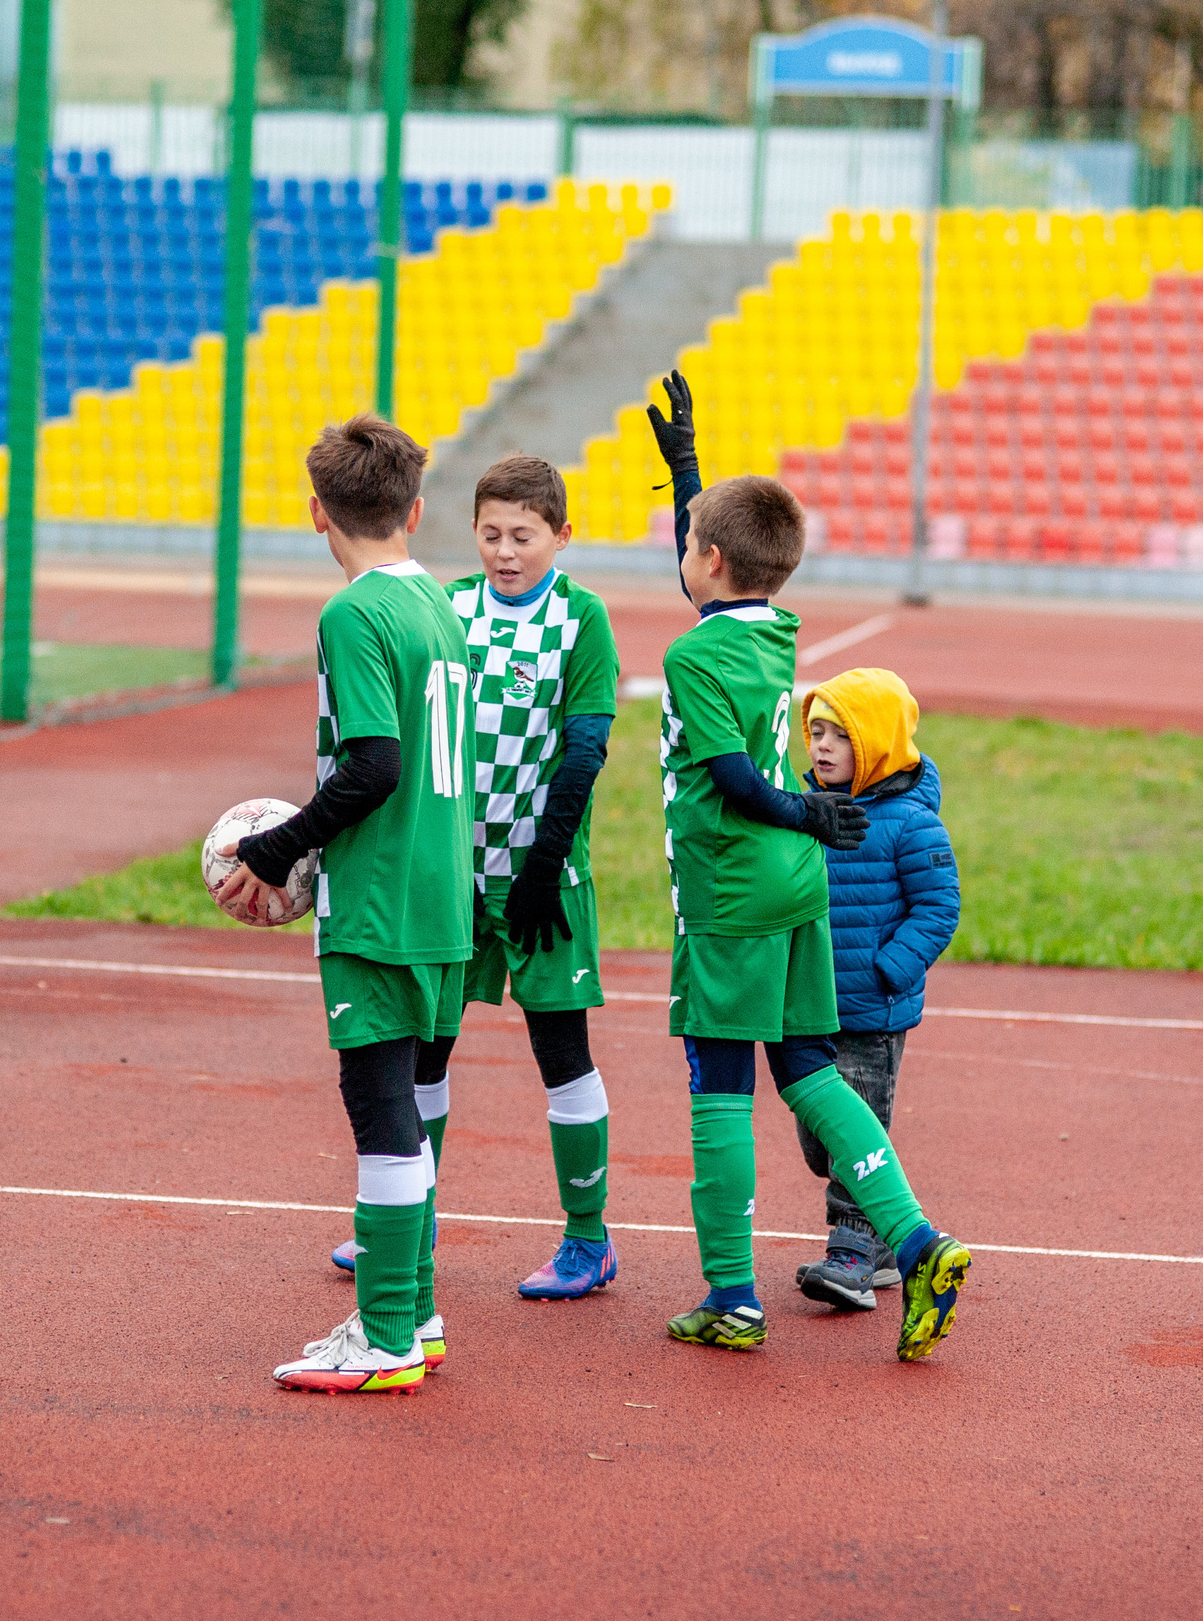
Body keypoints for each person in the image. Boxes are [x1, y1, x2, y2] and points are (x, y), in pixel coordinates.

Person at [644, 370, 971, 1362]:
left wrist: (800, 808)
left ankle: (731, 1296)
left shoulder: (694, 659)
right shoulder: (774, 630)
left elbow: (739, 781)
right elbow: (719, 585)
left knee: (716, 1083)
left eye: (693, 539)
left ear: (706, 557)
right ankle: (915, 1241)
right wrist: (689, 474)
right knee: (803, 1064)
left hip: (732, 888)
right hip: (794, 891)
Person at [212, 413, 474, 1393]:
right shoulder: (441, 606)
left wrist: (274, 850)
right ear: (414, 509)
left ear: (315, 511)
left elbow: (373, 766)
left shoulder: (355, 613)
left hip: (384, 901)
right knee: (405, 1106)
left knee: (379, 1113)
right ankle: (415, 1310)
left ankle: (385, 1334)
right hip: (444, 896)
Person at [325, 454, 623, 1299]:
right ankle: (407, 1218)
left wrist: (543, 862)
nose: (504, 551)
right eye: (491, 533)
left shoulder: (581, 618)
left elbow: (584, 751)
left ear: (562, 536)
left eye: (523, 536)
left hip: (542, 877)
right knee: (425, 1050)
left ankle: (588, 1239)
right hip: (452, 876)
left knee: (561, 1052)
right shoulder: (448, 608)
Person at [789, 667, 960, 1312]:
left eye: (839, 735)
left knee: (857, 1127)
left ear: (880, 742)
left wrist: (891, 968)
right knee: (821, 1138)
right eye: (816, 732)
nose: (822, 747)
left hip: (872, 1010)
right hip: (812, 1004)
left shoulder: (911, 825)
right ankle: (882, 1242)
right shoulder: (809, 811)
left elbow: (939, 906)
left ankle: (853, 1256)